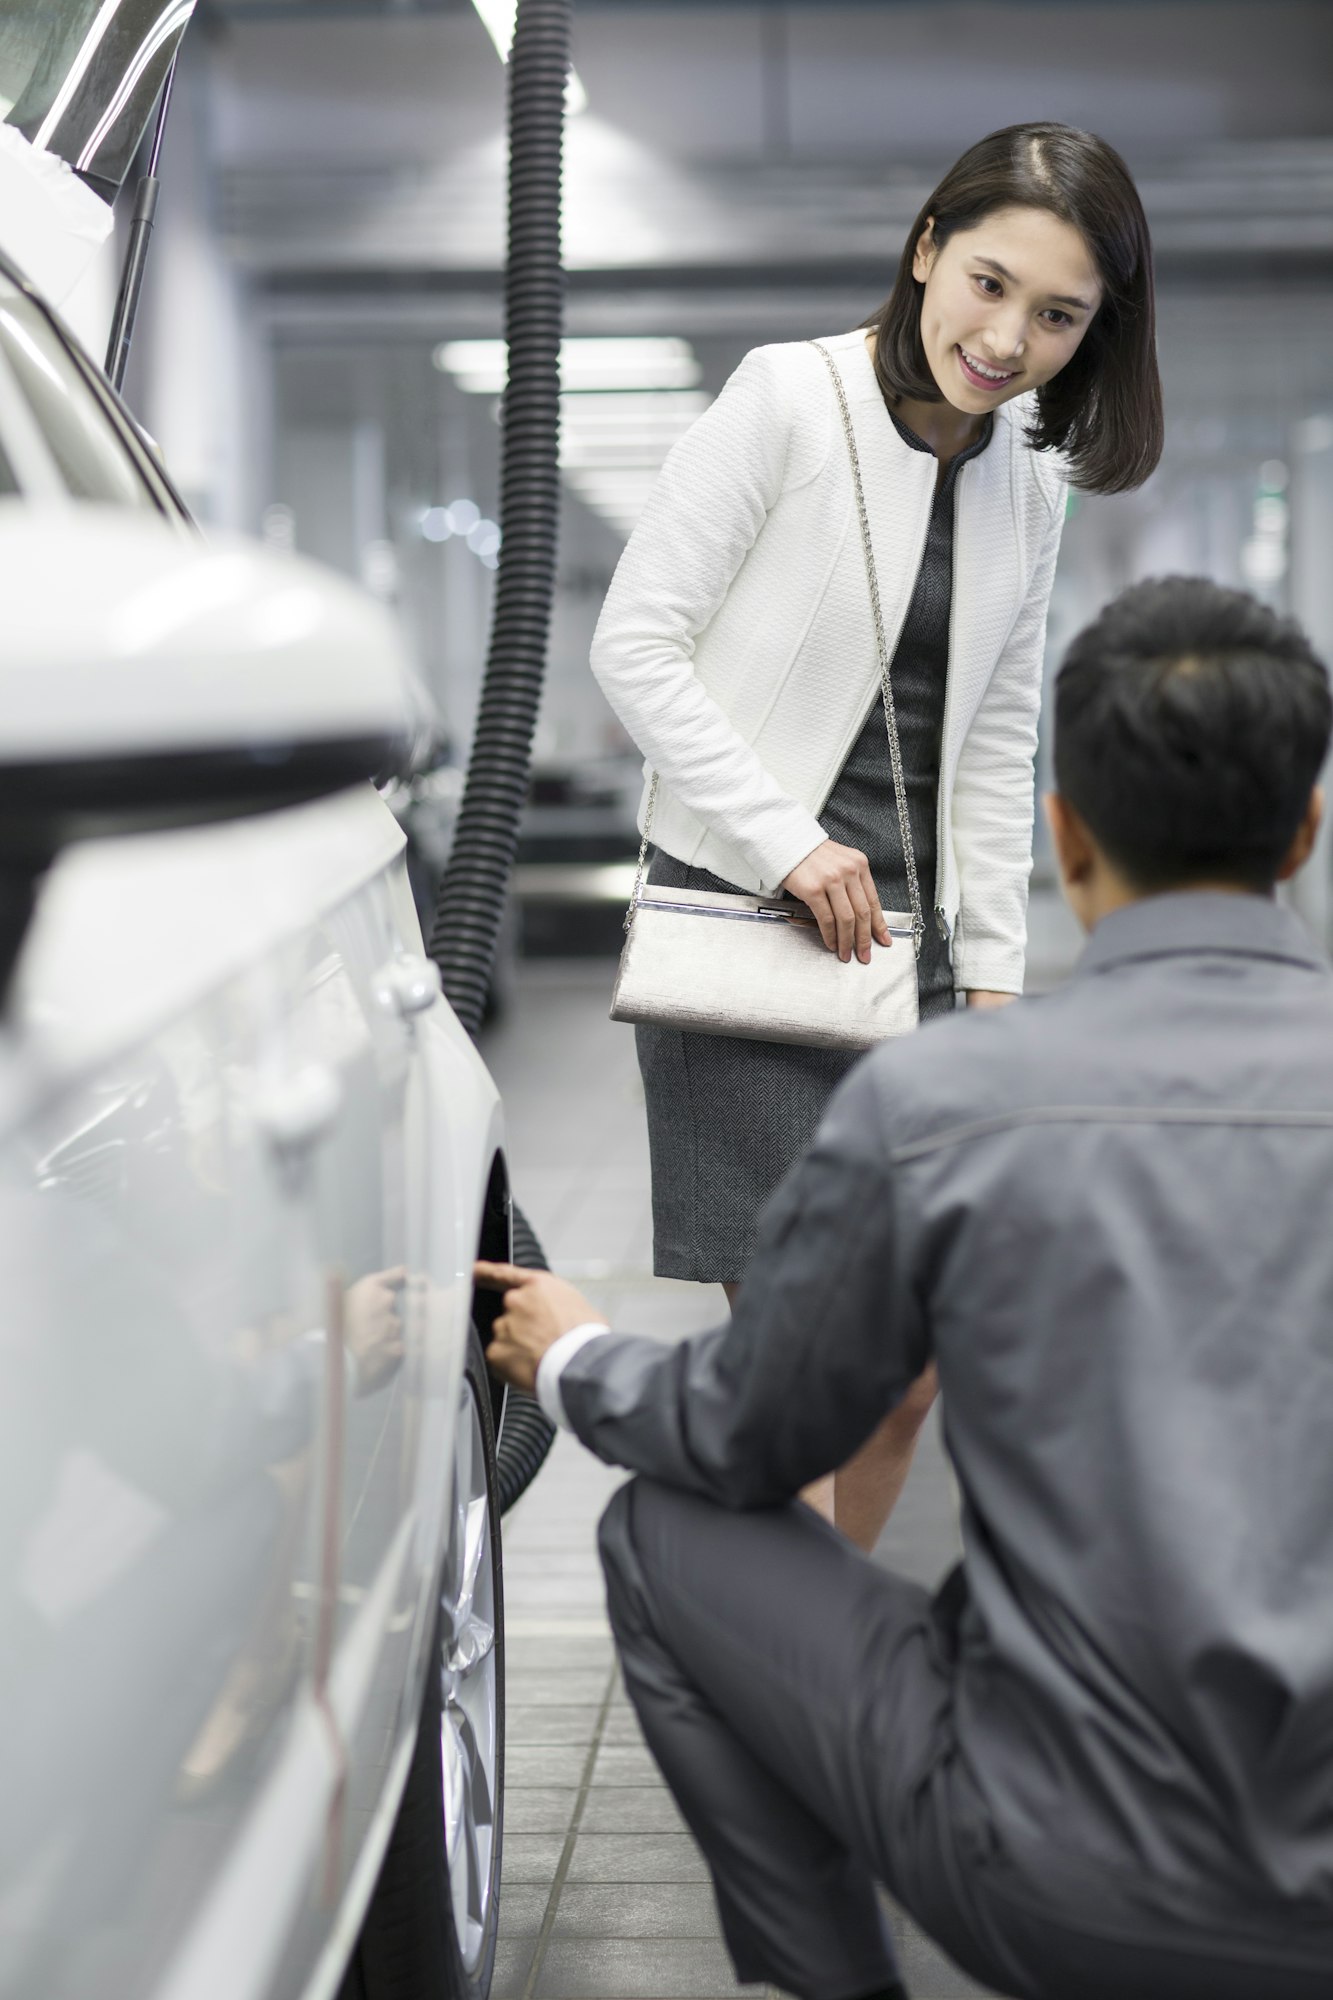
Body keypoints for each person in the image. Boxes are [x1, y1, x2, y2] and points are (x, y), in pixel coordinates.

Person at [481, 576, 1333, 2000]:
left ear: (1062, 837)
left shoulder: (941, 1104)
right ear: (1304, 831)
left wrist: (577, 1357)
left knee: (665, 1534)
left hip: (1050, 1885)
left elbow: (742, 1434)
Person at [591, 119, 1161, 1528]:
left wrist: (992, 985)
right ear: (923, 251)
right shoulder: (785, 400)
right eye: (985, 281)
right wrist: (787, 840)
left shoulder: (1028, 472)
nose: (1005, 336)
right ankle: (777, 1696)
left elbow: (992, 738)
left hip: (918, 963)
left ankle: (834, 1671)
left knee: (911, 1371)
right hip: (752, 940)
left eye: (1055, 315)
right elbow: (635, 645)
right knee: (800, 1366)